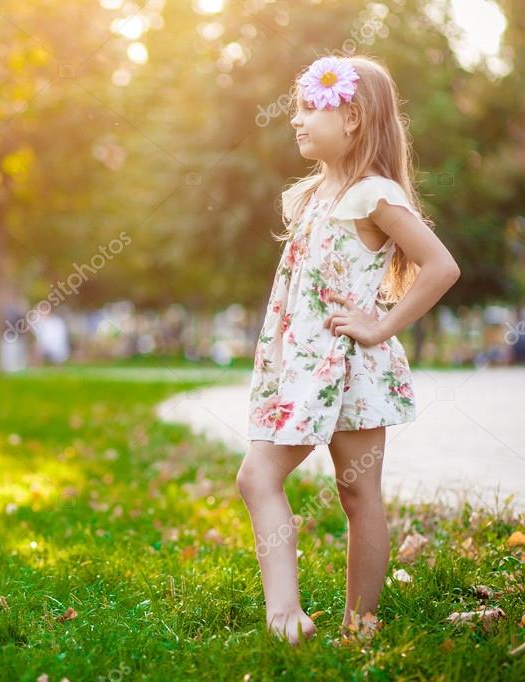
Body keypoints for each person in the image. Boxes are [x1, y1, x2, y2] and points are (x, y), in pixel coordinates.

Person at [237, 56, 460, 645]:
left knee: (358, 492)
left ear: (354, 118)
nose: (297, 120)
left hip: (352, 363)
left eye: (311, 108)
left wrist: (382, 325)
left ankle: (359, 625)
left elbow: (441, 267)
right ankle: (285, 617)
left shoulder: (374, 196)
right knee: (258, 476)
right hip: (304, 368)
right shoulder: (310, 196)